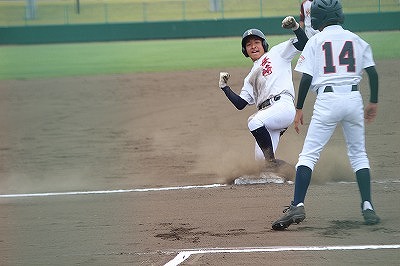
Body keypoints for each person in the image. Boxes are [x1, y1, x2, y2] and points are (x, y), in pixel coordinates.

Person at [272, 0, 380, 230]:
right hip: (353, 99)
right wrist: (374, 101)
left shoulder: (316, 41)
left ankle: (297, 204)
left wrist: (299, 108)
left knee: (308, 156)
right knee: (359, 154)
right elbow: (372, 72)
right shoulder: (356, 39)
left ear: (318, 20)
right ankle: (368, 206)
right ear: (340, 16)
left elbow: (307, 78)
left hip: (328, 101)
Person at [218, 16, 308, 172]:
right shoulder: (250, 78)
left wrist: (295, 27)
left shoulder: (277, 53)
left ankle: (271, 161)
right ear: (244, 50)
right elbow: (241, 104)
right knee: (260, 165)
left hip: (282, 106)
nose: (253, 46)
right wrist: (224, 87)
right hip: (268, 115)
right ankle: (296, 172)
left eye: (256, 42)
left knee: (253, 122)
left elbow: (303, 43)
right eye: (248, 44)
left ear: (264, 45)